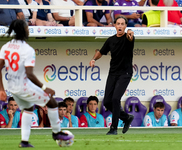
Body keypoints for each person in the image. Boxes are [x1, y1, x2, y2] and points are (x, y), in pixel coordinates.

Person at [0, 19, 72, 147]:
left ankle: (24, 141)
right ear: (23, 31)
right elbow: (30, 74)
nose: (28, 29)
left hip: (12, 87)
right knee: (52, 102)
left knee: (28, 108)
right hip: (24, 86)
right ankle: (56, 132)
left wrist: (1, 89)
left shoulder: (6, 47)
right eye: (27, 28)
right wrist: (45, 88)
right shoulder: (27, 50)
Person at [89, 16, 134, 135]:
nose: (120, 26)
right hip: (113, 72)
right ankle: (126, 117)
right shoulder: (110, 40)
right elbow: (101, 52)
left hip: (125, 73)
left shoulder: (128, 38)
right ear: (114, 25)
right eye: (118, 23)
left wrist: (130, 34)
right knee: (107, 102)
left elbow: (130, 37)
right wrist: (94, 59)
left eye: (122, 24)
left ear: (125, 26)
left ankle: (114, 128)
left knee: (115, 99)